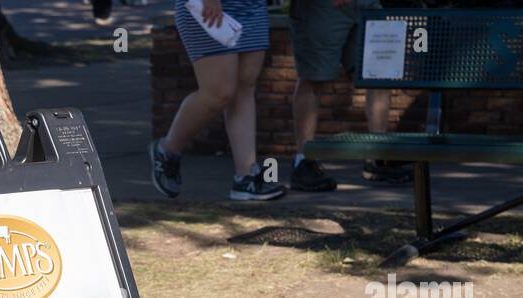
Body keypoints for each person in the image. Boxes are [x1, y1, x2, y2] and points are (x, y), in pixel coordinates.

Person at [150, 0, 285, 201]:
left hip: (252, 7)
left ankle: (246, 177)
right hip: (207, 6)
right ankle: (167, 149)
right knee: (219, 93)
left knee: (244, 88)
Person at [288, 0, 411, 190]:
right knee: (313, 78)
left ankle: (376, 159)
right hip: (322, 7)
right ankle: (304, 161)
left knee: (379, 75)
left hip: (367, 4)